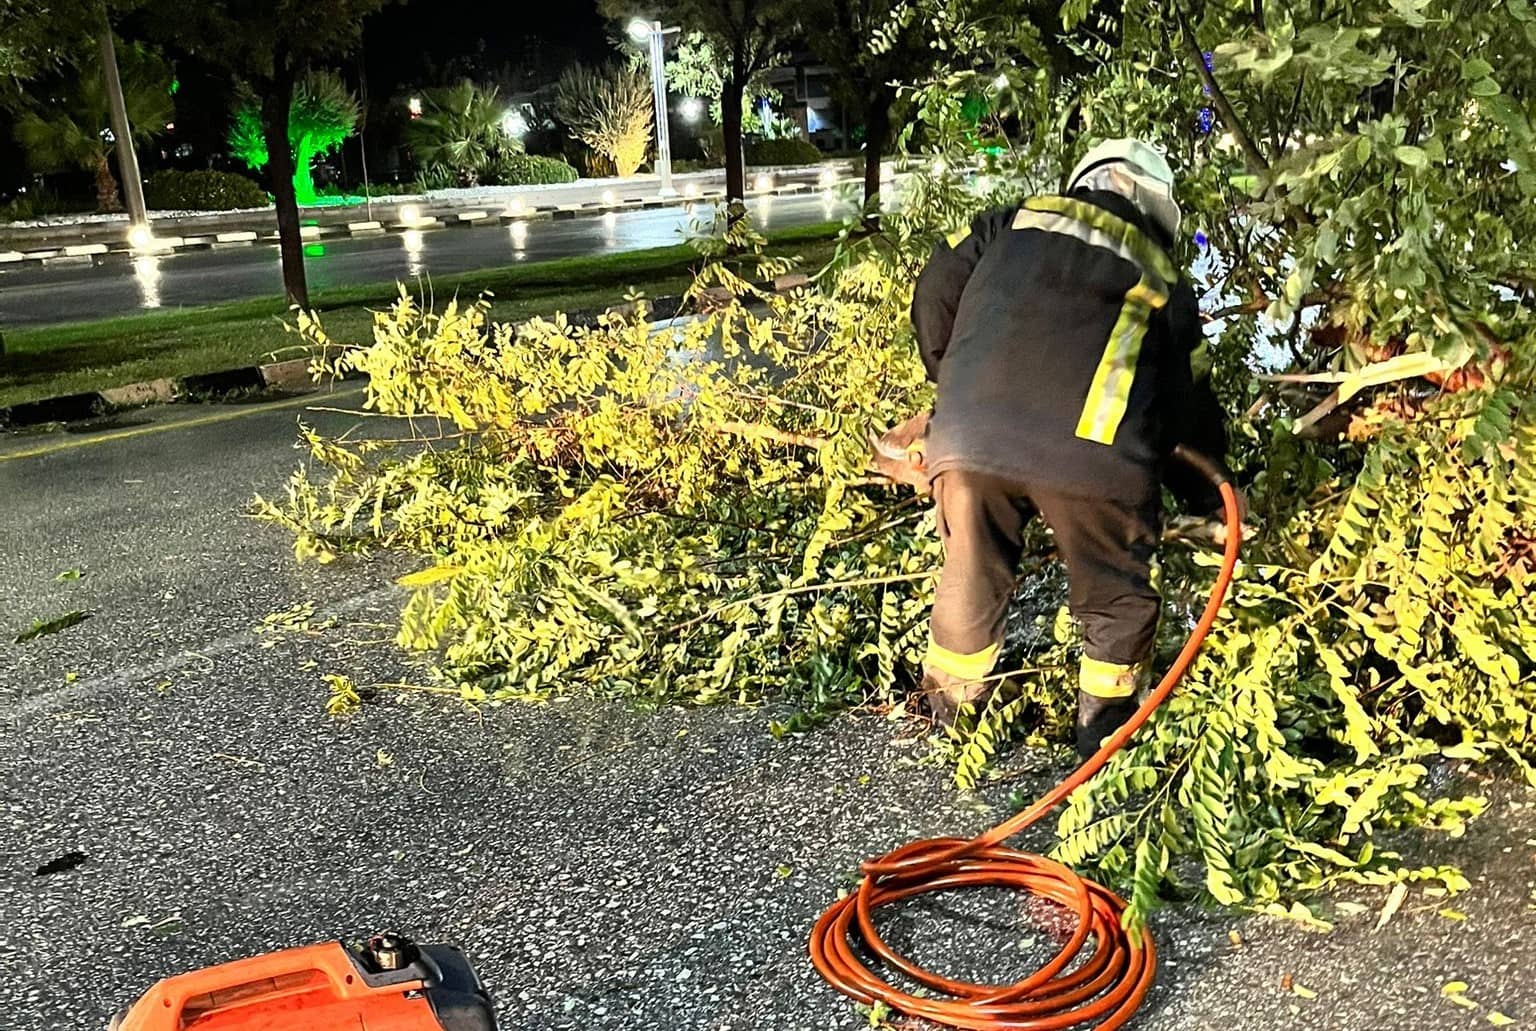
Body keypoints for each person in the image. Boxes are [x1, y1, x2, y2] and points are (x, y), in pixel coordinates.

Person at [906, 138, 1232, 758]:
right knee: (1113, 595)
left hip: (970, 442)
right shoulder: (1162, 275)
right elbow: (1189, 408)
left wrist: (952, 381)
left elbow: (936, 286)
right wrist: (1211, 499)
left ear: (1087, 182)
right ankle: (1102, 742)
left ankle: (950, 722)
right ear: (1154, 207)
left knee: (971, 573)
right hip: (1094, 458)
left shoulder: (1013, 220)